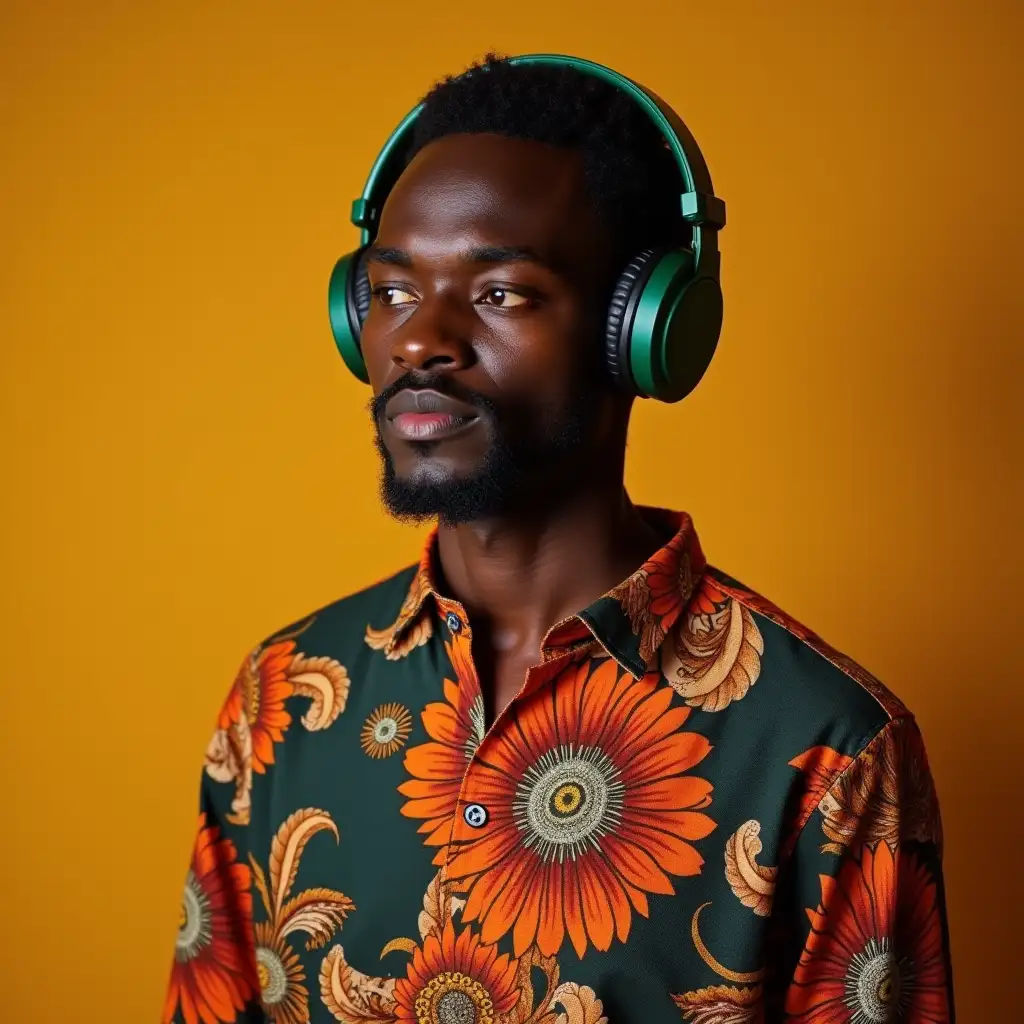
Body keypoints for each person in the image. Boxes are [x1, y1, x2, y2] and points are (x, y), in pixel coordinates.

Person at [163, 54, 954, 1024]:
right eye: (393, 291)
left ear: (644, 331)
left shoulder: (829, 752)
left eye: (500, 294)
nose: (419, 341)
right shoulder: (278, 702)